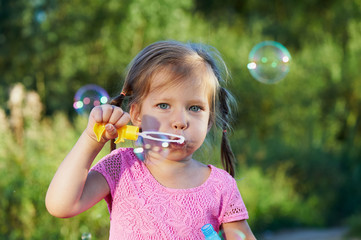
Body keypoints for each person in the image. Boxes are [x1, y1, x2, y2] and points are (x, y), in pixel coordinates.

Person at [46, 40, 256, 240]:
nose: (180, 121)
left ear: (209, 121)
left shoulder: (221, 186)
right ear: (137, 115)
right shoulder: (121, 167)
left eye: (195, 108)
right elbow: (61, 205)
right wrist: (92, 139)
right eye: (164, 105)